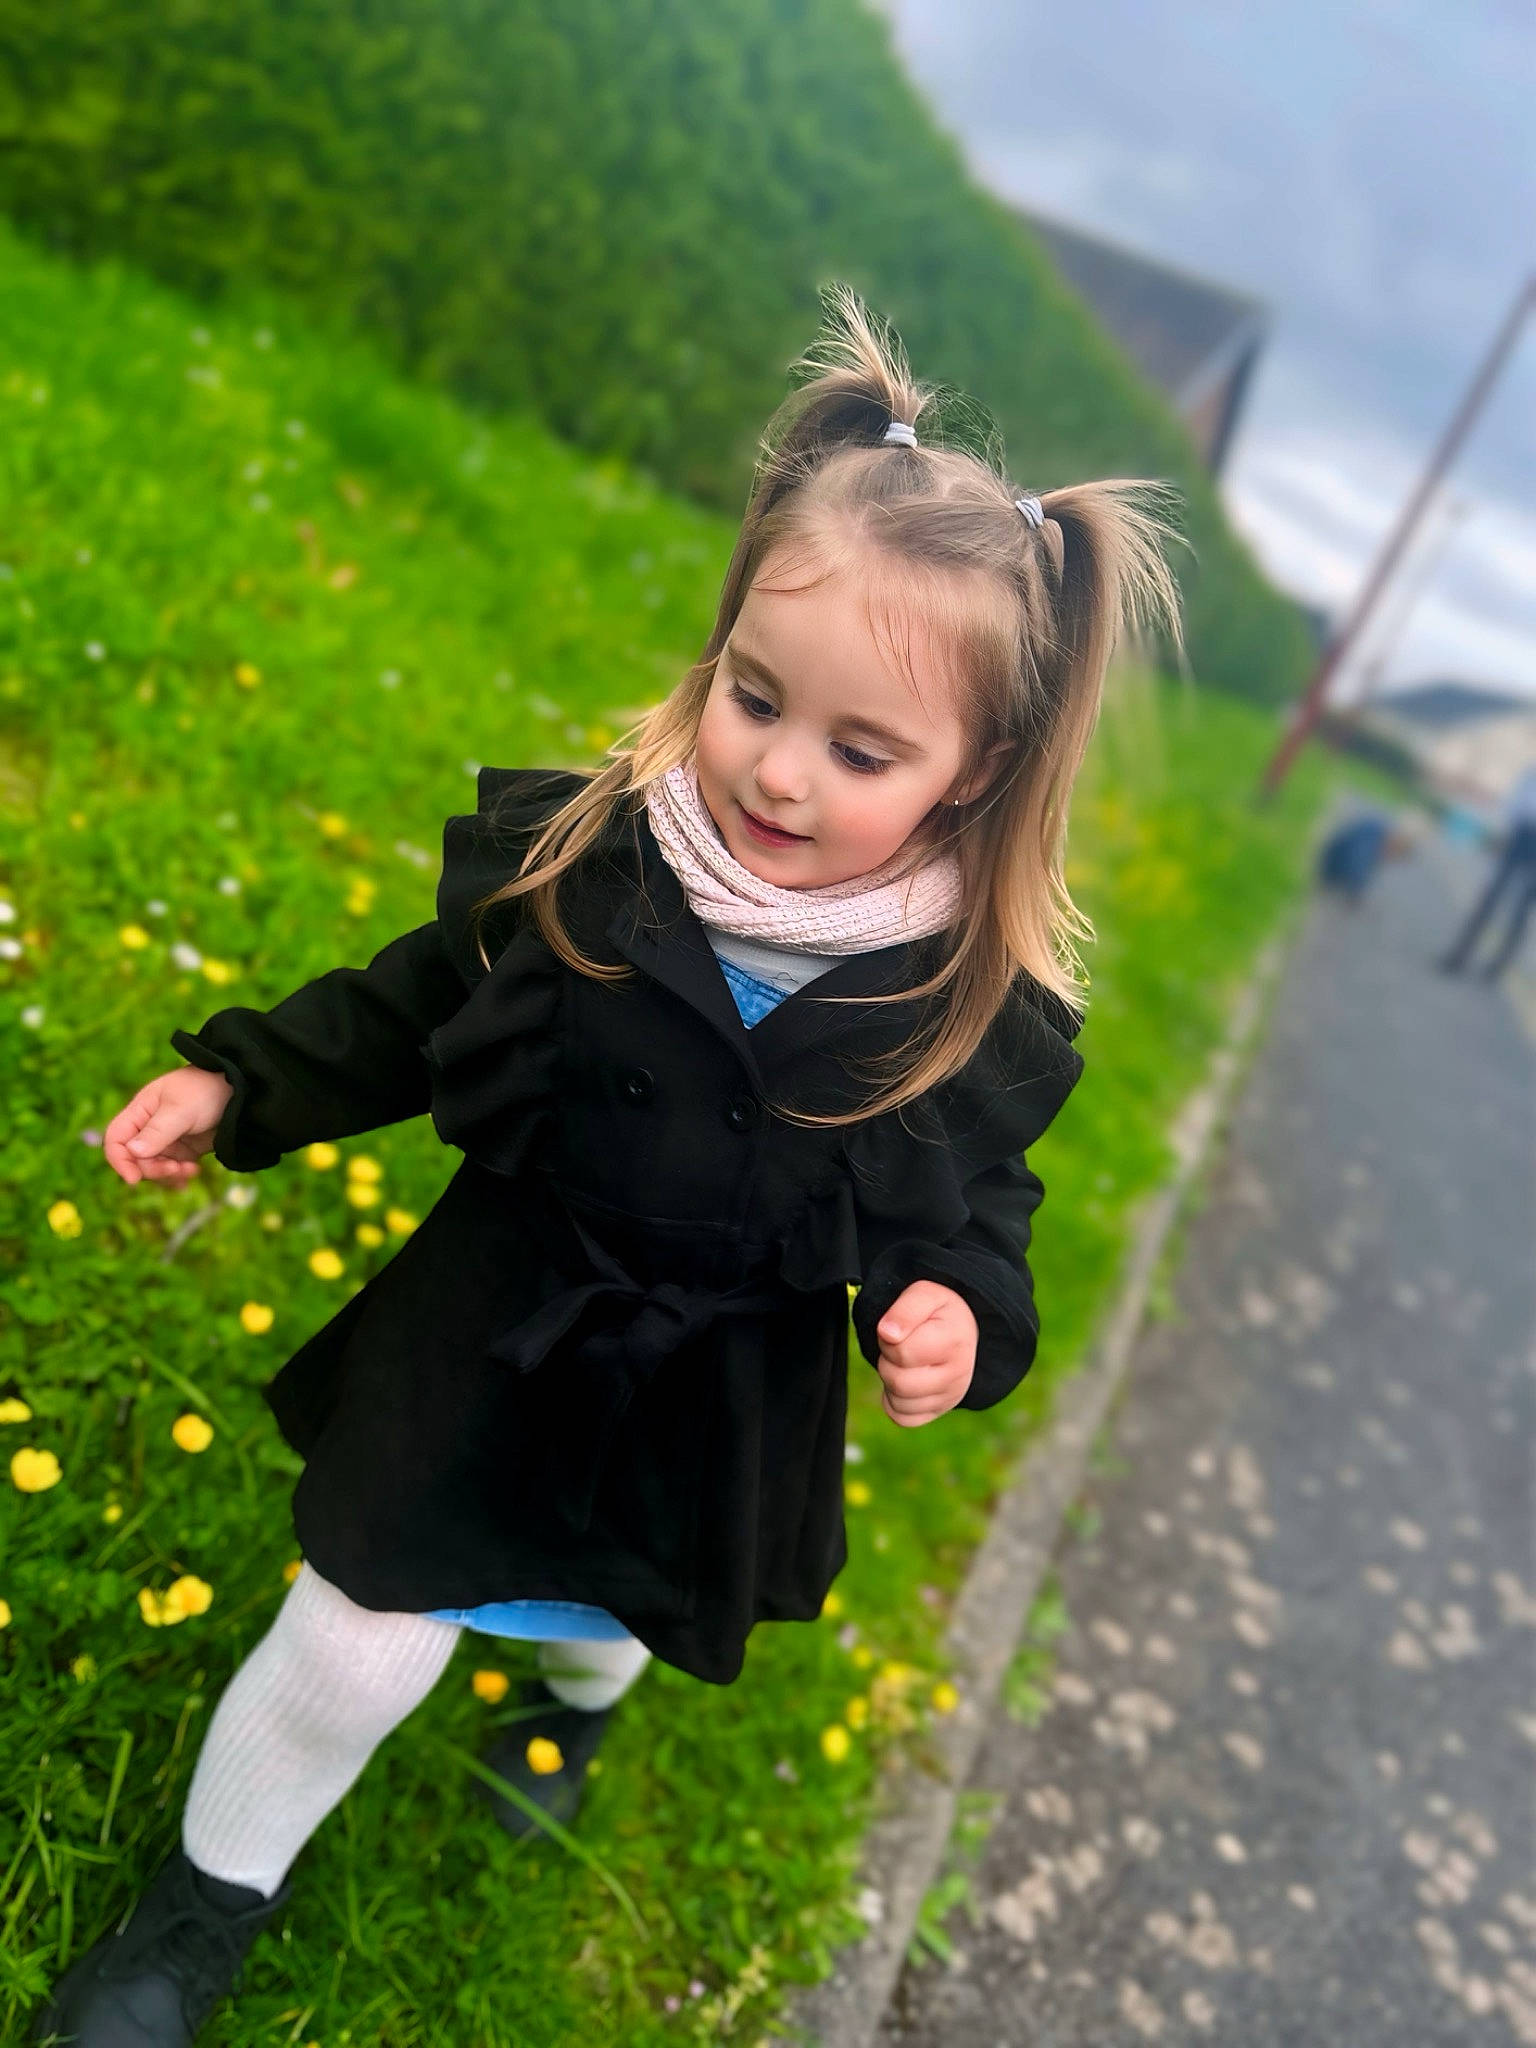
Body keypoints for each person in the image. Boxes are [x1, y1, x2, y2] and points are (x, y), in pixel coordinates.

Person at [34, 285, 1184, 2047]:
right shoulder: (594, 859)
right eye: (754, 697)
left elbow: (978, 1213)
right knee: (359, 1625)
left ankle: (571, 1707)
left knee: (608, 1612)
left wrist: (957, 1306)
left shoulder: (963, 1014)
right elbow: (413, 1008)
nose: (777, 773)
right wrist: (237, 1079)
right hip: (497, 1314)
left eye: (860, 751)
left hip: (709, 1389)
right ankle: (189, 1923)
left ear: (976, 774)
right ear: (719, 649)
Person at [1437, 761, 1536, 981]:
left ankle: (1496, 968)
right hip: (1520, 837)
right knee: (1489, 900)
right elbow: (1516, 803)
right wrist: (1503, 834)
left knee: (1521, 915)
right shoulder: (1532, 773)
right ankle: (1459, 954)